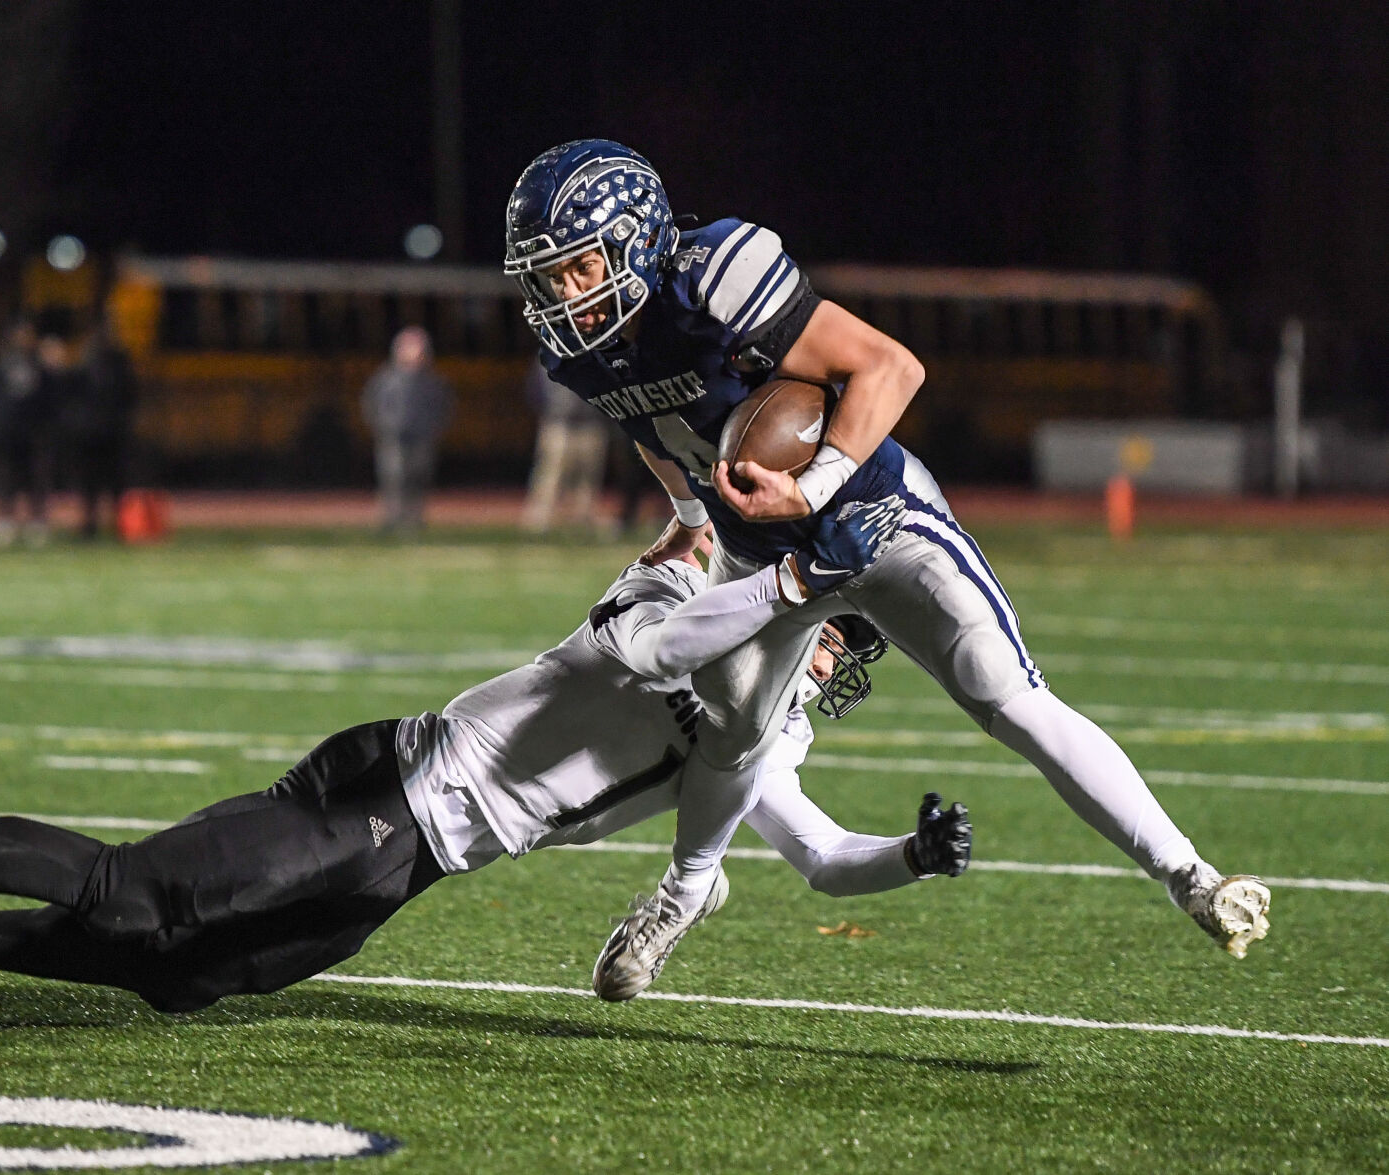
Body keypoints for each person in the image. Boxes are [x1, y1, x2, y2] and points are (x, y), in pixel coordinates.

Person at [502, 140, 1270, 982]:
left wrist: (814, 484)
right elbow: (651, 426)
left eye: (577, 267)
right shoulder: (582, 351)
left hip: (872, 513)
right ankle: (684, 892)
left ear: (636, 240)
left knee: (1005, 693)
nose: (564, 294)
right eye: (547, 277)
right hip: (758, 550)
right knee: (732, 738)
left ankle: (1188, 875)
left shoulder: (712, 277)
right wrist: (690, 516)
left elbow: (890, 366)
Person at [0, 555, 971, 1018]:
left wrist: (907, 856)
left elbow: (814, 857)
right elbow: (647, 641)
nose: (829, 664)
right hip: (392, 784)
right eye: (831, 635)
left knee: (180, 973)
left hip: (417, 860)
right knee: (136, 891)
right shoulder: (674, 597)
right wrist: (769, 582)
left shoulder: (757, 738)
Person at [361, 326, 451, 534]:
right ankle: (391, 518)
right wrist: (383, 426)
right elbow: (371, 404)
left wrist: (433, 427)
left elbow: (443, 406)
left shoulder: (432, 381)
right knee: (393, 477)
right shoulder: (386, 379)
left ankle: (413, 519)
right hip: (393, 437)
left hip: (422, 437)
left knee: (418, 477)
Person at [61, 318, 138, 539]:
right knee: (89, 483)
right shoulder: (82, 364)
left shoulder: (119, 362)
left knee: (116, 483)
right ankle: (89, 524)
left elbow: (130, 395)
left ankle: (118, 525)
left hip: (113, 433)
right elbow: (70, 396)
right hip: (89, 434)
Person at [521, 357, 612, 533]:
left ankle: (584, 517)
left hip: (590, 422)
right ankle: (541, 517)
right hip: (560, 422)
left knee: (589, 476)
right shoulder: (548, 353)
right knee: (551, 473)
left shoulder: (596, 354)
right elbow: (534, 390)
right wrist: (549, 412)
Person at [0, 319, 52, 547]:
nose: (25, 339)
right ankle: (5, 521)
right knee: (5, 477)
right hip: (8, 431)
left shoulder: (40, 363)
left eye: (29, 334)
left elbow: (50, 397)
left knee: (36, 478)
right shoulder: (1, 362)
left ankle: (37, 522)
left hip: (34, 431)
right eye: (21, 334)